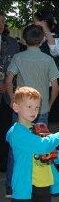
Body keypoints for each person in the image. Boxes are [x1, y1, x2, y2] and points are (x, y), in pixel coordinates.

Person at [5, 24, 59, 197]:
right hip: (40, 110)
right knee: (42, 148)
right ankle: (39, 185)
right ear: (43, 40)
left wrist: (13, 101)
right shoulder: (48, 59)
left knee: (16, 148)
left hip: (21, 110)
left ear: (23, 39)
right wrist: (49, 104)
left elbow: (8, 81)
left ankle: (12, 186)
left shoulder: (18, 57)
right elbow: (56, 86)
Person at [34, 11, 59, 176]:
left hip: (58, 87)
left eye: (37, 22)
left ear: (45, 23)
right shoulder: (35, 41)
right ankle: (50, 158)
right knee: (44, 124)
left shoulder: (58, 43)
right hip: (41, 87)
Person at [0, 11, 20, 173]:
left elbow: (16, 67)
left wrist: (7, 85)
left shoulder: (12, 43)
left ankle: (3, 163)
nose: (1, 25)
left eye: (3, 21)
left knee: (6, 129)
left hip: (7, 95)